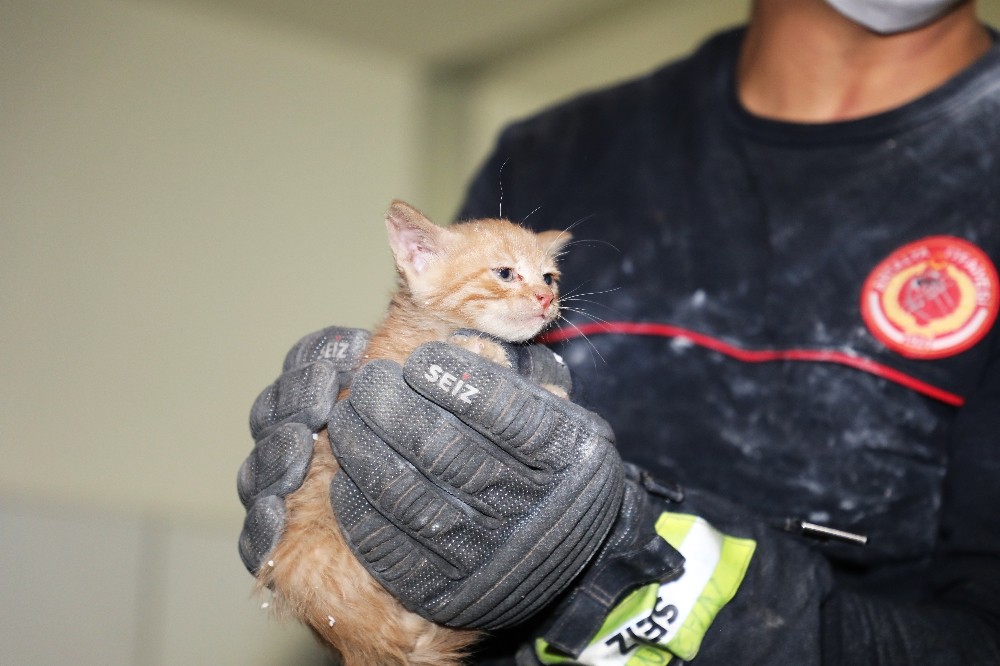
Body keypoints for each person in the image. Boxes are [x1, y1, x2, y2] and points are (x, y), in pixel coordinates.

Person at [239, 0, 1000, 662]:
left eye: (546, 282)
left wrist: (611, 569)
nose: (538, 290)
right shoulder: (555, 151)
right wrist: (355, 561)